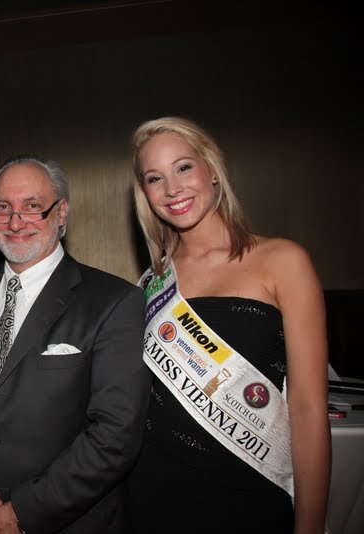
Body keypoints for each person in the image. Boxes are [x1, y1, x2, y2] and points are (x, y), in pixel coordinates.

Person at [127, 116, 330, 534]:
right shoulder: (152, 283)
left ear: (212, 171)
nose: (172, 189)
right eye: (154, 178)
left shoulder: (283, 261)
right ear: (145, 193)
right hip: (153, 494)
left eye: (184, 167)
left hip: (249, 495)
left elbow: (309, 410)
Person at [0, 154, 151, 533]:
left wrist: (23, 511)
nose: (15, 222)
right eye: (3, 208)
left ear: (61, 212)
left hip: (69, 520)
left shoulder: (114, 301)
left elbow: (115, 434)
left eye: (32, 206)